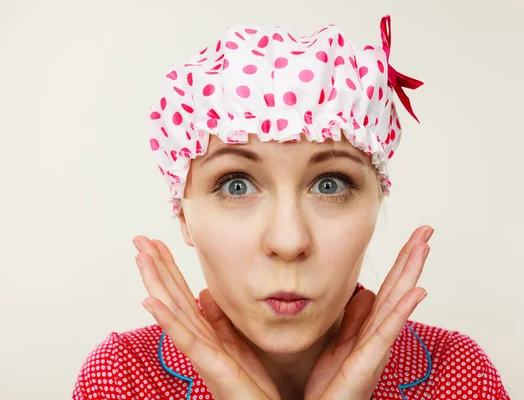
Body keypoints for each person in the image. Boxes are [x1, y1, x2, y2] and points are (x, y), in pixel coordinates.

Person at [72, 15, 510, 400]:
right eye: (237, 185)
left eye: (330, 183)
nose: (288, 241)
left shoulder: (457, 375)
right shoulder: (124, 378)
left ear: (378, 201)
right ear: (183, 213)